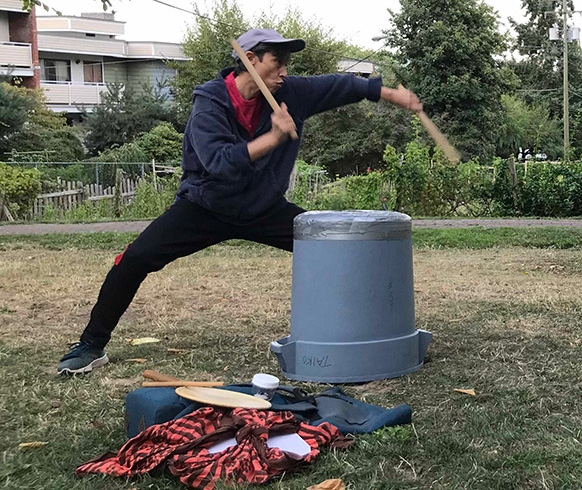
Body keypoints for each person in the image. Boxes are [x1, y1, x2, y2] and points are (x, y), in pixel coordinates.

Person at [57, 28, 424, 374]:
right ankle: (91, 345)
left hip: (264, 209)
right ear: (249, 59)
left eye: (286, 64)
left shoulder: (290, 94)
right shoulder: (210, 103)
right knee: (133, 260)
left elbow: (343, 85)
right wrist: (274, 137)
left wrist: (393, 95)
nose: (284, 71)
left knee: (338, 248)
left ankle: (365, 334)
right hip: (205, 207)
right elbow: (218, 162)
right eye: (275, 63)